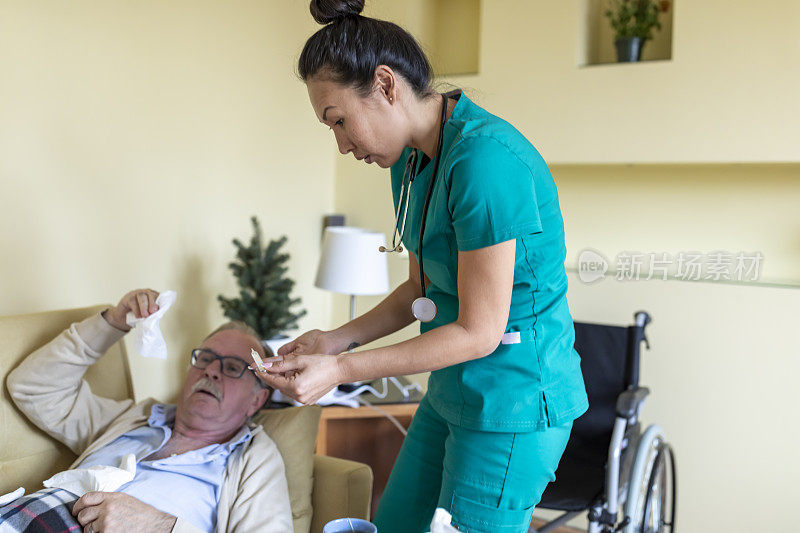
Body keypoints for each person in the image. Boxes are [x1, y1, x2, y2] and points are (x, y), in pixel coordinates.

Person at [256, 1, 589, 532]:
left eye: (340, 122)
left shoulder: (487, 163)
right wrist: (336, 341)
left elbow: (480, 333)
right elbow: (419, 289)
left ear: (385, 85)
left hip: (513, 402)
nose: (341, 145)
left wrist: (341, 372)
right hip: (452, 390)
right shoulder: (410, 162)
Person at [6, 289, 293, 533]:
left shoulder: (255, 459)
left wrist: (160, 525)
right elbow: (31, 387)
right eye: (205, 359)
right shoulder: (134, 418)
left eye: (232, 367)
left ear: (256, 400)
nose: (212, 371)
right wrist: (113, 323)